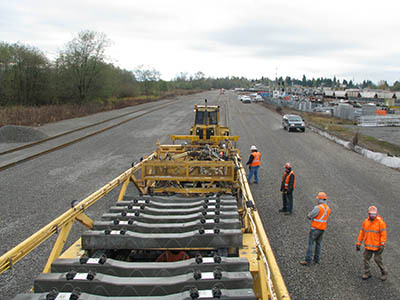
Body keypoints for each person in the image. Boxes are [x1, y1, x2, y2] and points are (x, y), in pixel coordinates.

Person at [356, 206, 387, 281]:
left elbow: (383, 234)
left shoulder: (380, 223)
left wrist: (382, 244)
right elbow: (362, 233)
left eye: (374, 214)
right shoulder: (365, 222)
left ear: (376, 214)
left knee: (377, 259)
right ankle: (367, 273)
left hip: (378, 246)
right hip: (368, 246)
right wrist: (358, 243)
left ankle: (384, 272)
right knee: (366, 259)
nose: (373, 216)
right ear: (368, 214)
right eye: (371, 214)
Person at [300, 192, 331, 266]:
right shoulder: (328, 209)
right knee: (319, 244)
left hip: (315, 228)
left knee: (311, 244)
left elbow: (310, 216)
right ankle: (317, 259)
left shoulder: (318, 207)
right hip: (322, 229)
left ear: (320, 199)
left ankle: (308, 260)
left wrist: (309, 215)